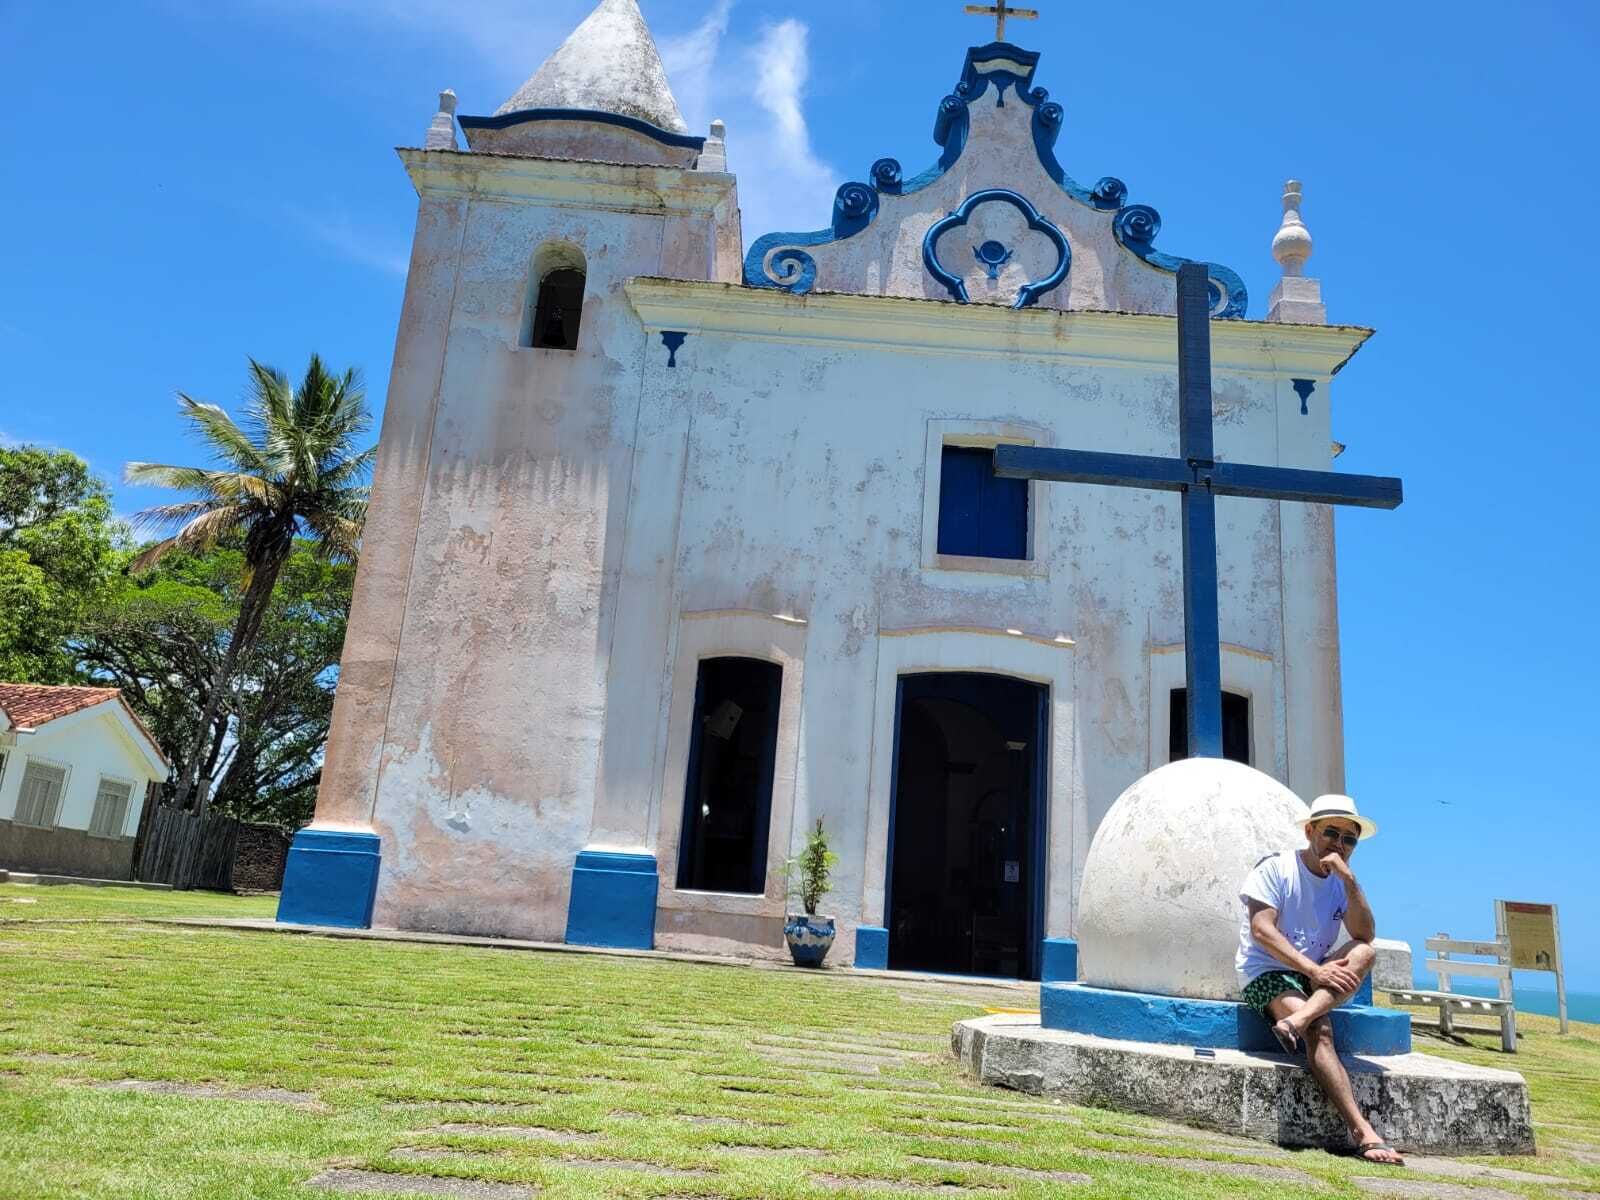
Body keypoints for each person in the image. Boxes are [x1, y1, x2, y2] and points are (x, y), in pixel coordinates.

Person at [1235, 794, 1404, 1166]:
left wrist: (1350, 881)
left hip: (1310, 974)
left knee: (1365, 952)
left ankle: (1296, 1020)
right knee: (1321, 1032)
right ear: (1310, 831)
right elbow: (1262, 930)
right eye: (1331, 833)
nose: (1339, 845)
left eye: (1349, 839)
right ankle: (1363, 1131)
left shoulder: (1341, 883)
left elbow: (1365, 933)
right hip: (1267, 970)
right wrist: (1315, 971)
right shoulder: (1276, 868)